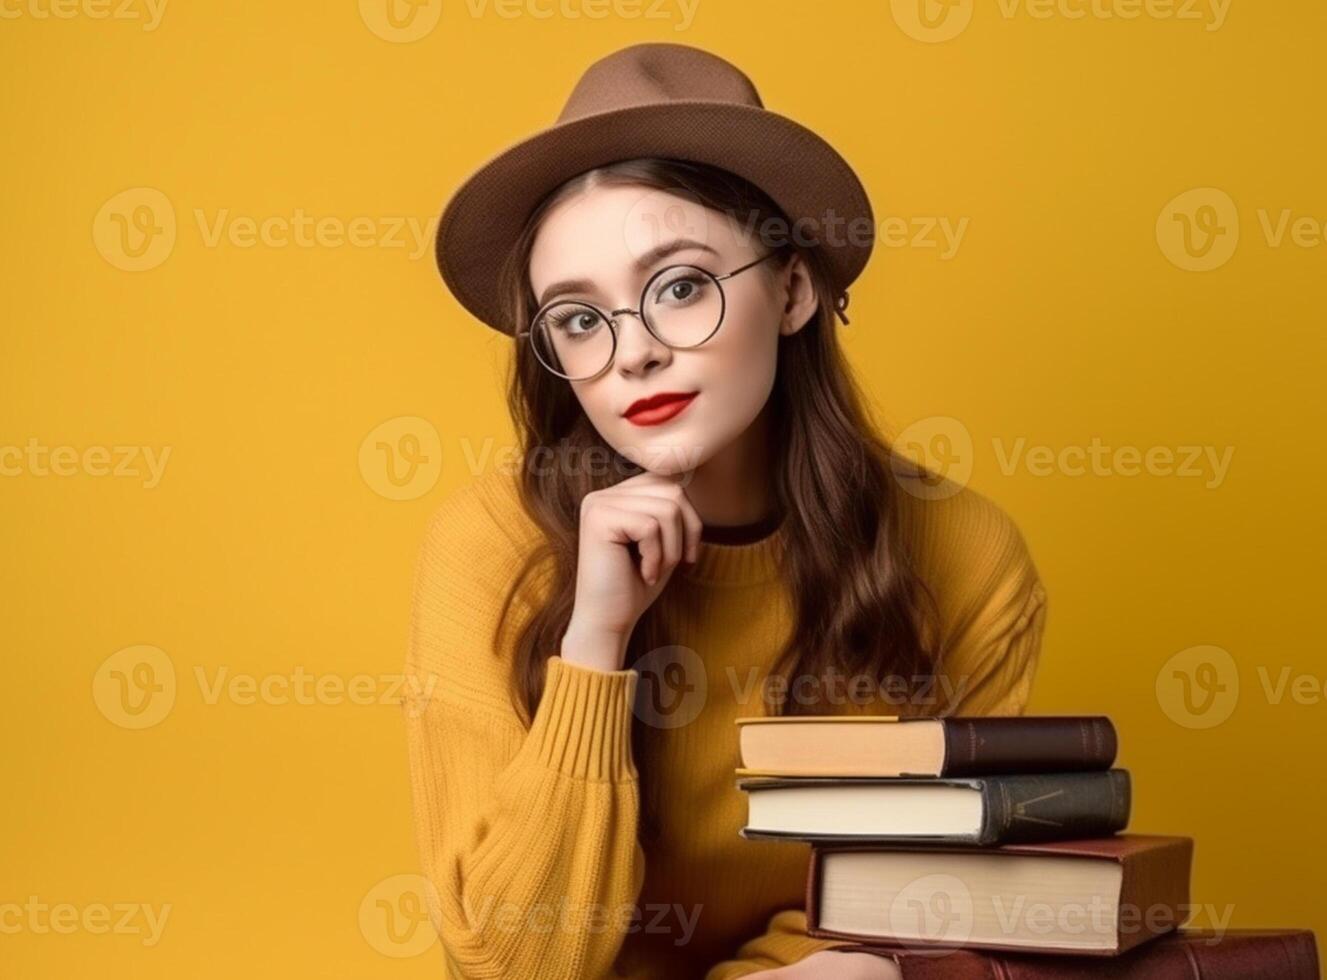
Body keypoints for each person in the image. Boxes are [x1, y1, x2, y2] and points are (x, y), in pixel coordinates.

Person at [403, 41, 1048, 979]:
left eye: (679, 287)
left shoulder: (965, 555)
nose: (634, 354)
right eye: (580, 317)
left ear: (793, 290)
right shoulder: (491, 547)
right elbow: (510, 963)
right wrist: (595, 640)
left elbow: (916, 903)